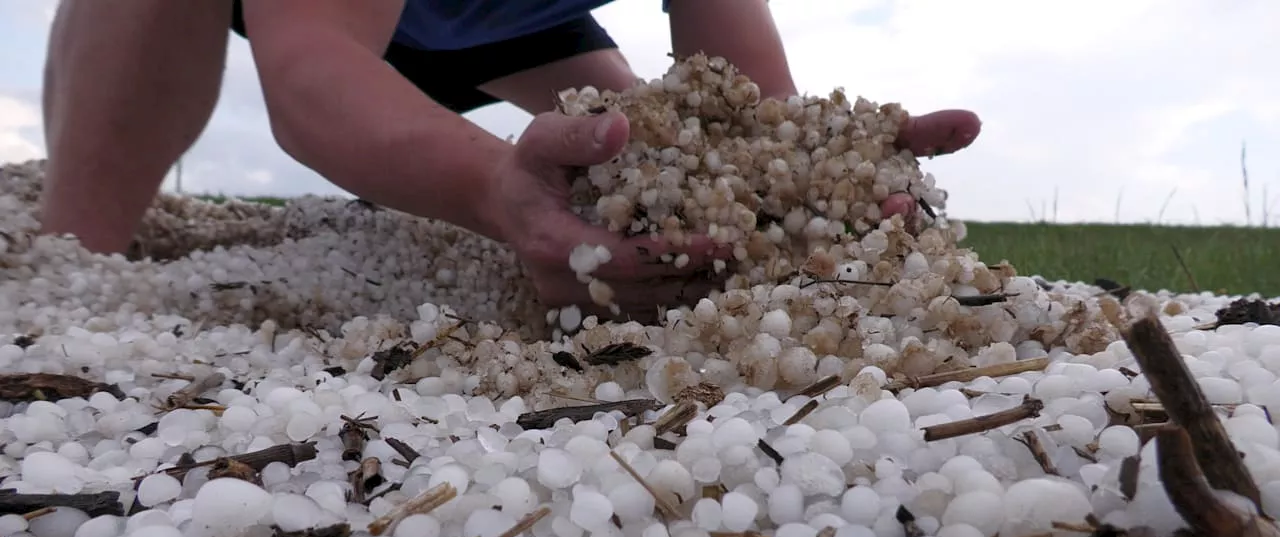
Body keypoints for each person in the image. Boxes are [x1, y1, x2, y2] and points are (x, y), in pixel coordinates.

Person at [38, 0, 980, 316]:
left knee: (644, 165)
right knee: (84, 249)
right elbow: (311, 68)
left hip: (508, 22)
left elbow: (747, 109)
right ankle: (65, 271)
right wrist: (492, 186)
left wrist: (817, 180)